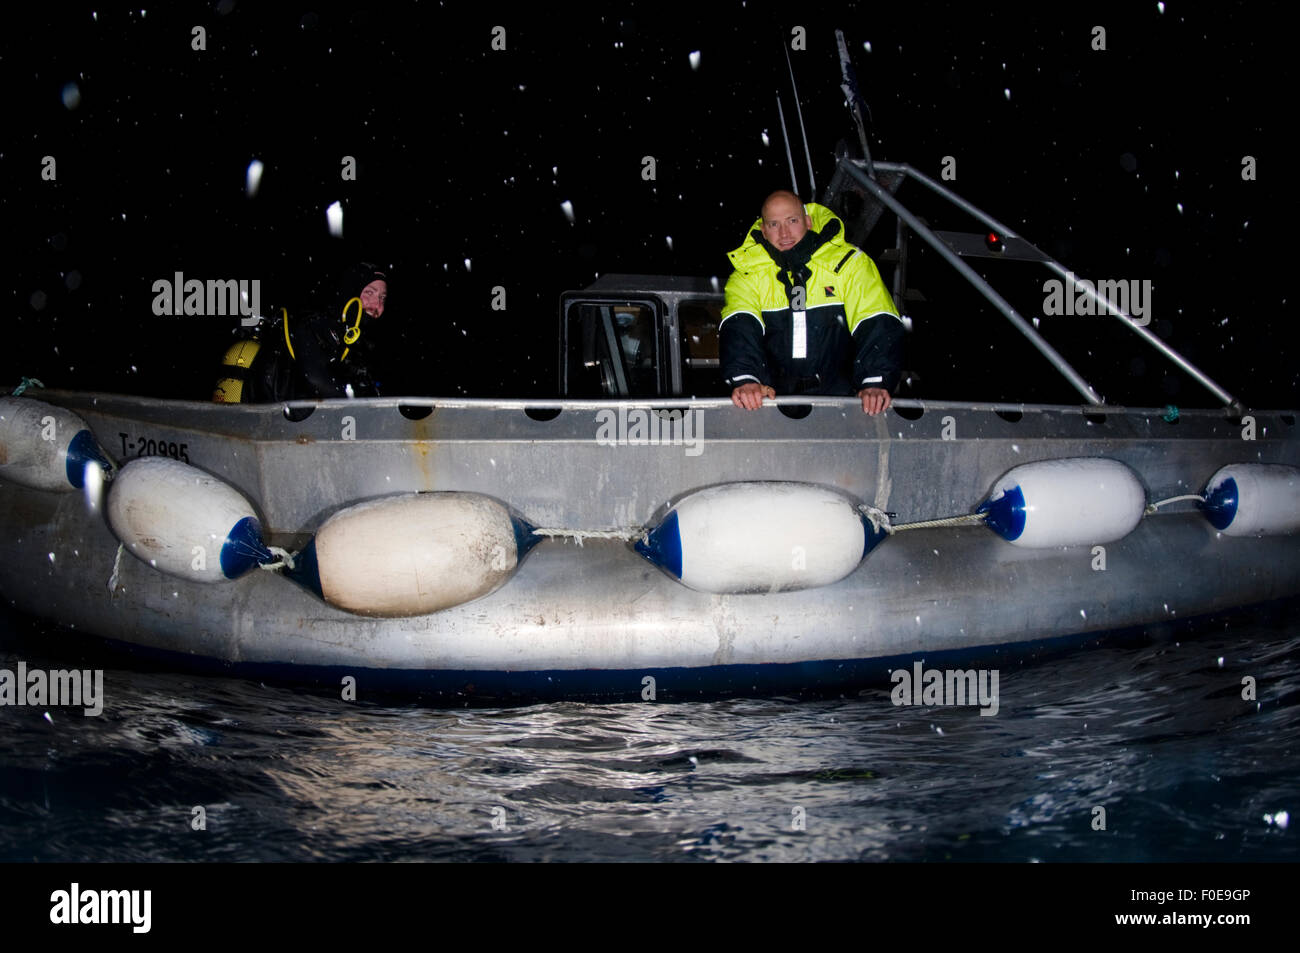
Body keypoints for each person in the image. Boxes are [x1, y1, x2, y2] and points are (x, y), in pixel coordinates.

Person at [719, 191, 903, 414]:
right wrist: (746, 378)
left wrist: (874, 382)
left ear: (808, 222)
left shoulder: (850, 264)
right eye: (774, 224)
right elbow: (740, 328)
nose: (785, 233)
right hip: (771, 402)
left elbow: (877, 322)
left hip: (843, 403)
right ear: (763, 231)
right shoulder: (746, 275)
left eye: (792, 221)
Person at [213, 262, 389, 402]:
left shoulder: (359, 345)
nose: (377, 306)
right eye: (369, 293)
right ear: (349, 294)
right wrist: (353, 408)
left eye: (382, 298)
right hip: (282, 428)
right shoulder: (316, 326)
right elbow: (315, 378)